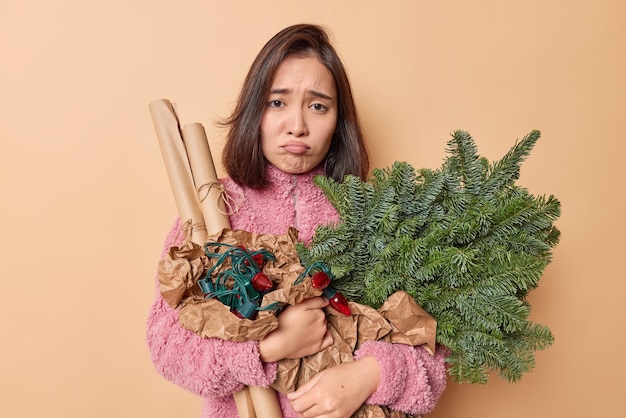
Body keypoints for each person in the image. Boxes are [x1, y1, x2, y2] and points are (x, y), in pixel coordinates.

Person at [147, 23, 449, 418]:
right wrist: (267, 347)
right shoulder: (213, 211)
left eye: (318, 105)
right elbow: (167, 346)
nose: (297, 125)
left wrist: (369, 375)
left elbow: (437, 349)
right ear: (255, 109)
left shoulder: (375, 213)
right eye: (278, 102)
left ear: (339, 120)